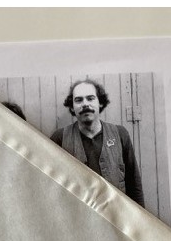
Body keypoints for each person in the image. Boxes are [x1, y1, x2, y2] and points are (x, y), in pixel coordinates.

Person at [51, 79, 144, 207]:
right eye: (78, 100)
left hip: (115, 214)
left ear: (100, 103)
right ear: (72, 107)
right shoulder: (59, 138)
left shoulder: (120, 134)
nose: (85, 104)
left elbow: (134, 184)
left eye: (90, 98)